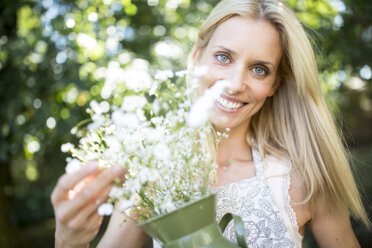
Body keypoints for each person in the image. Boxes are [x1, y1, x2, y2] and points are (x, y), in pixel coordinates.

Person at [51, 0, 369, 247]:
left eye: (259, 69)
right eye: (223, 57)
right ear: (197, 57)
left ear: (274, 85)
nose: (234, 83)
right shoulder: (151, 171)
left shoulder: (305, 176)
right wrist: (69, 241)